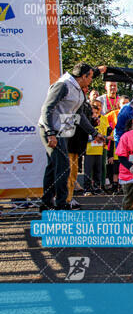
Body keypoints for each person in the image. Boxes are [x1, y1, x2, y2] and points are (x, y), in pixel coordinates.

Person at [38, 62, 106, 211]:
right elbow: (47, 108)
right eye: (91, 77)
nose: (91, 80)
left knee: (53, 167)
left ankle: (46, 204)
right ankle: (61, 204)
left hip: (61, 130)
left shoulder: (78, 88)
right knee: (63, 167)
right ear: (83, 76)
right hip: (50, 129)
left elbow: (79, 115)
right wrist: (50, 133)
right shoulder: (63, 85)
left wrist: (94, 133)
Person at [84, 100, 110, 195]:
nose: (95, 114)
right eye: (93, 113)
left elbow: (105, 133)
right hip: (89, 150)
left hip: (99, 150)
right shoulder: (86, 122)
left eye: (96, 112)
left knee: (98, 170)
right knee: (88, 170)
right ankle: (87, 188)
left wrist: (104, 140)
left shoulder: (103, 119)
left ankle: (97, 187)